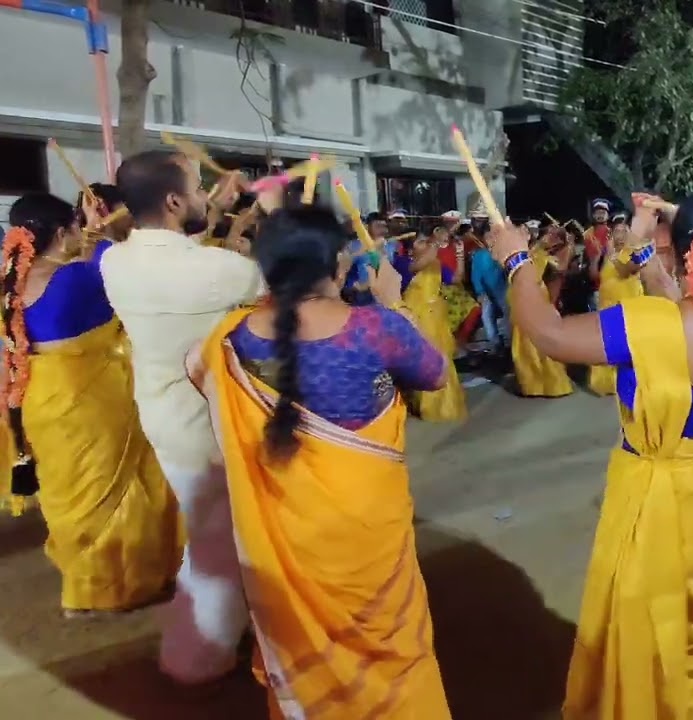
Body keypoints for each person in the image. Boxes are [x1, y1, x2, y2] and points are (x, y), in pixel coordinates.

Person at [494, 191, 693, 719]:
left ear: (679, 246)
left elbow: (549, 333)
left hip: (666, 514)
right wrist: (665, 235)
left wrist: (515, 260)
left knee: (654, 638)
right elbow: (684, 302)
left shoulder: (651, 324)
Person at [187, 205, 452, 719]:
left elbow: (198, 375)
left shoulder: (231, 335)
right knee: (390, 645)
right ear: (336, 263)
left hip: (284, 534)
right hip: (367, 533)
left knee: (303, 640)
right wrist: (394, 303)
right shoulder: (375, 327)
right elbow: (436, 374)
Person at [101, 149, 261, 684]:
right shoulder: (227, 270)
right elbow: (261, 287)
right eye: (196, 187)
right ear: (174, 201)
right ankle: (196, 661)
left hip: (161, 413)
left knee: (213, 531)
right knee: (221, 545)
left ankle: (221, 639)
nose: (203, 196)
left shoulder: (113, 260)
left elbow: (178, 255)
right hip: (206, 424)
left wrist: (210, 214)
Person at [2, 193, 180, 617]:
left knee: (70, 492)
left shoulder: (10, 283)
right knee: (112, 492)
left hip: (39, 400)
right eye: (74, 228)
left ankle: (81, 581)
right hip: (90, 401)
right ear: (62, 233)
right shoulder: (79, 278)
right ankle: (109, 591)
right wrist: (103, 233)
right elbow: (136, 270)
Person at [402, 222, 468, 420]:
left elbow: (456, 279)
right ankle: (426, 405)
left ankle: (443, 403)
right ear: (411, 248)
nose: (426, 244)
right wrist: (438, 240)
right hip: (417, 315)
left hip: (437, 315)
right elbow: (423, 261)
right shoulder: (404, 263)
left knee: (443, 356)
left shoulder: (436, 263)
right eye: (421, 242)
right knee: (425, 358)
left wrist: (459, 255)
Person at [508, 225, 574, 398]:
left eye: (554, 236)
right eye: (548, 234)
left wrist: (569, 247)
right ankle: (532, 385)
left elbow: (561, 271)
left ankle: (552, 383)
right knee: (523, 343)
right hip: (520, 296)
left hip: (538, 297)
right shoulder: (524, 252)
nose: (549, 238)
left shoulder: (551, 257)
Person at [586, 214, 644, 396]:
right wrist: (598, 256)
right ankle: (607, 382)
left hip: (628, 305)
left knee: (628, 343)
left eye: (622, 231)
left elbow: (624, 270)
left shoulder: (634, 253)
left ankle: (632, 381)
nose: (619, 235)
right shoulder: (606, 253)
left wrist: (611, 254)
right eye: (616, 231)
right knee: (607, 343)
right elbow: (594, 276)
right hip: (606, 305)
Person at [470, 222, 509, 352]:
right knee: (486, 316)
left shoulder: (504, 252)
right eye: (487, 238)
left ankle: (513, 341)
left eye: (492, 237)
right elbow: (475, 275)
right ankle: (495, 343)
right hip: (486, 290)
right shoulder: (479, 255)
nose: (490, 240)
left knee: (509, 314)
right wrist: (479, 292)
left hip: (503, 289)